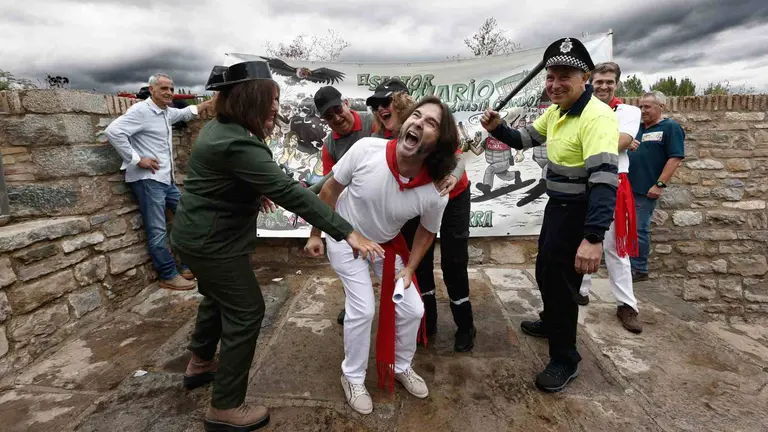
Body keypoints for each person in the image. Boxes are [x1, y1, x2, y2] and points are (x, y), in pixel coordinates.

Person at [169, 61, 384, 432]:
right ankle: (225, 407)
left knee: (218, 299)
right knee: (247, 311)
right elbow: (286, 191)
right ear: (249, 98)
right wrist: (346, 232)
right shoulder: (235, 140)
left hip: (200, 239)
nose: (275, 108)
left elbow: (259, 181)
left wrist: (256, 190)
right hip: (213, 244)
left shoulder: (225, 131)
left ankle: (200, 363)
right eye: (270, 99)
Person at [481, 37, 619, 393]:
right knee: (546, 271)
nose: (555, 84)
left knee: (563, 286)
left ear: (585, 77)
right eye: (550, 76)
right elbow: (522, 139)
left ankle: (565, 357)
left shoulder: (597, 118)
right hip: (557, 207)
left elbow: (604, 182)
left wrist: (592, 239)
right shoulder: (557, 111)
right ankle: (552, 322)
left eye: (565, 76)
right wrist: (497, 128)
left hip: (579, 213)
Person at [304, 96, 458, 415]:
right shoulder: (366, 151)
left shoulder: (436, 189)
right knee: (362, 309)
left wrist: (410, 268)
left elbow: (427, 232)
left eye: (430, 123)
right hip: (344, 236)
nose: (418, 121)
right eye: (416, 115)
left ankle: (400, 366)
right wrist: (316, 233)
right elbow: (329, 191)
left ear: (438, 142)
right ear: (404, 125)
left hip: (385, 246)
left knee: (414, 309)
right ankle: (353, 377)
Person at [365, 79, 477, 352]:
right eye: (376, 105)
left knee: (453, 260)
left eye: (385, 102)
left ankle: (465, 325)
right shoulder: (383, 134)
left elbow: (459, 158)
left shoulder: (429, 125)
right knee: (419, 260)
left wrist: (452, 176)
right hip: (416, 199)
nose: (380, 109)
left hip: (452, 196)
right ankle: (427, 321)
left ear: (401, 102)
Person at [106, 72, 216, 290]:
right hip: (148, 180)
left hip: (166, 181)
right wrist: (138, 160)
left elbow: (184, 113)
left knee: (189, 217)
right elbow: (113, 131)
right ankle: (168, 274)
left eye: (171, 89)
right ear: (152, 89)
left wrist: (209, 104)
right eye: (164, 88)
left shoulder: (164, 112)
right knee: (157, 230)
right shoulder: (141, 111)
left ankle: (187, 266)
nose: (169, 92)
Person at [579, 62, 643, 333]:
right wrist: (618, 140)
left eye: (609, 82)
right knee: (579, 238)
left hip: (615, 181)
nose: (604, 86)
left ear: (616, 83)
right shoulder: (581, 109)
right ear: (590, 83)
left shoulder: (629, 110)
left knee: (616, 249)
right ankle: (580, 291)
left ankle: (626, 305)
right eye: (598, 82)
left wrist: (620, 140)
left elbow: (622, 140)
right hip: (584, 181)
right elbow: (617, 141)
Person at [627, 91, 685, 282]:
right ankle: (623, 262)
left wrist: (660, 184)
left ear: (661, 107)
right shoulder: (636, 127)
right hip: (626, 185)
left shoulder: (670, 127)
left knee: (638, 228)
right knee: (622, 227)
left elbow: (675, 158)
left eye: (647, 107)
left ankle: (639, 268)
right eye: (640, 106)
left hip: (646, 189)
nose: (642, 110)